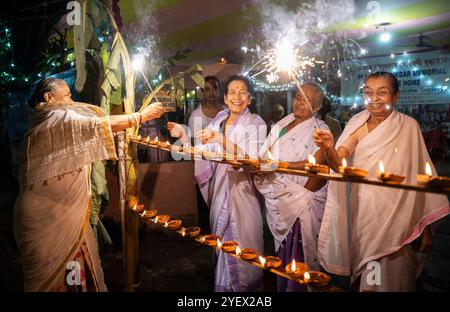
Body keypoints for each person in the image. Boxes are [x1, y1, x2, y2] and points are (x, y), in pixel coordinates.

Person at [13, 78, 169, 291]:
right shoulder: (54, 119)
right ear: (48, 97)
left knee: (73, 270)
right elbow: (94, 125)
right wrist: (141, 117)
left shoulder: (45, 123)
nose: (71, 99)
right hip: (48, 218)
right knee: (48, 279)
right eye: (67, 94)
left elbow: (88, 131)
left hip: (64, 215)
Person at [314, 71, 450, 291]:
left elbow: (422, 178)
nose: (374, 98)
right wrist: (329, 147)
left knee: (396, 274)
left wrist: (424, 228)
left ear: (395, 97)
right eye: (368, 92)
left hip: (400, 215)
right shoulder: (357, 125)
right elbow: (339, 165)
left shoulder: (409, 126)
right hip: (366, 212)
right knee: (369, 266)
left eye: (382, 92)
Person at [168, 75, 266, 291]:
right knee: (222, 249)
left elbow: (251, 161)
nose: (237, 97)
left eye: (242, 92)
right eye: (232, 92)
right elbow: (203, 153)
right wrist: (184, 137)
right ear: (225, 97)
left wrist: (220, 139)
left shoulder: (255, 123)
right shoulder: (219, 121)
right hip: (220, 192)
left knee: (246, 248)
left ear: (249, 99)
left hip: (244, 195)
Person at [254, 83, 329, 292]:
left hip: (299, 199)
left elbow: (313, 164)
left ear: (317, 106)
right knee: (282, 253)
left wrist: (276, 166)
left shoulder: (321, 130)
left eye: (306, 100)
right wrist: (261, 165)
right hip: (279, 195)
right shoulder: (284, 122)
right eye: (297, 97)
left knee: (298, 252)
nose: (298, 102)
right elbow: (266, 153)